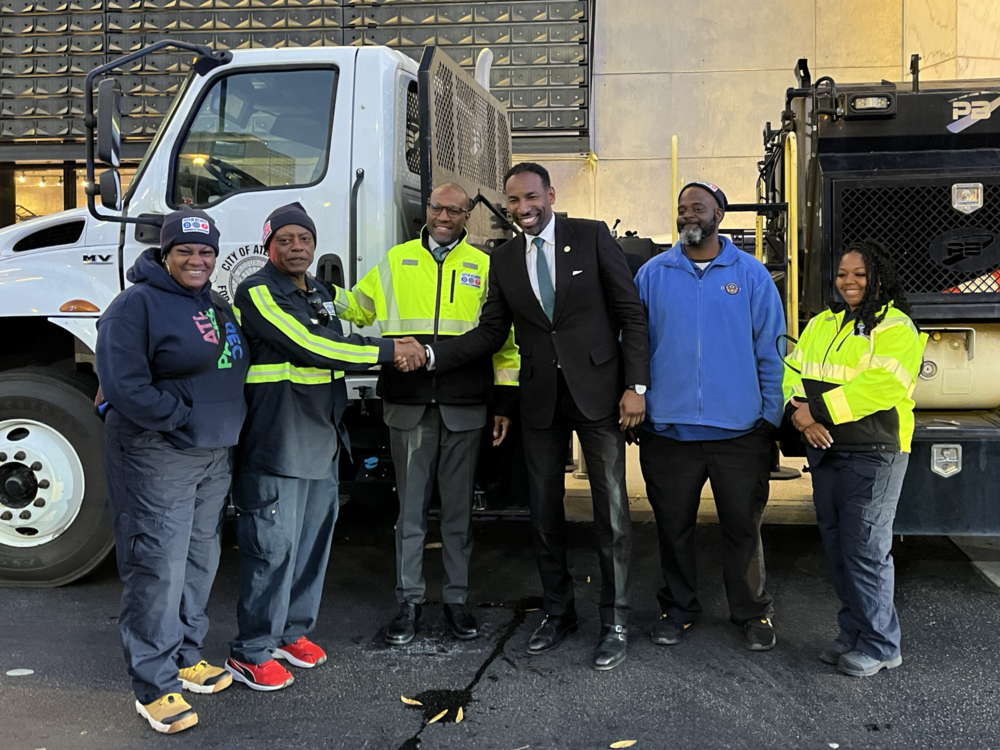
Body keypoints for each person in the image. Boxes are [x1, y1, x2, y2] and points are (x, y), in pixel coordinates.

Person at [399, 163, 649, 671]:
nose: (522, 208)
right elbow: (493, 334)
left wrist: (635, 386)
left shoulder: (593, 236)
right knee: (543, 512)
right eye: (512, 201)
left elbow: (631, 313)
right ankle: (559, 612)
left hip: (600, 395)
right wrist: (430, 355)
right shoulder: (504, 258)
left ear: (550, 194)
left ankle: (616, 619)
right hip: (539, 401)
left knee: (612, 514)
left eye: (530, 197)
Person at [226, 202, 424, 691]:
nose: (297, 247)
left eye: (305, 239)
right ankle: (251, 650)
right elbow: (312, 345)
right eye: (287, 239)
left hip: (321, 437)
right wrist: (390, 350)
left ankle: (292, 633)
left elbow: (346, 322)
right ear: (269, 244)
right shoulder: (257, 292)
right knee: (271, 548)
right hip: (277, 439)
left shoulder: (317, 291)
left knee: (312, 544)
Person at [331, 183, 519, 645]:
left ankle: (456, 601)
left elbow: (505, 344)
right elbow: (358, 308)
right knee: (409, 513)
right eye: (437, 207)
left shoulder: (485, 267)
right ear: (427, 210)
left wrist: (505, 402)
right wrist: (318, 292)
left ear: (467, 217)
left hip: (465, 406)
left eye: (455, 210)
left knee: (458, 514)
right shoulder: (396, 261)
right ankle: (408, 603)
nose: (444, 216)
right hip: (409, 404)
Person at [97, 207, 249, 734]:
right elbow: (123, 385)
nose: (197, 259)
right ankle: (154, 684)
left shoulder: (214, 302)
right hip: (157, 452)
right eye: (185, 250)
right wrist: (182, 419)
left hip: (212, 454)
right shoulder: (134, 306)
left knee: (198, 559)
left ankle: (186, 655)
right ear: (165, 254)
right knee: (157, 567)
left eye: (206, 251)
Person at [634, 182, 785, 652]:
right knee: (672, 528)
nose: (687, 215)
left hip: (739, 432)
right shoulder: (653, 275)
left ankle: (752, 612)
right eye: (681, 209)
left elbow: (771, 348)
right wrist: (638, 401)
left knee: (742, 526)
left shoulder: (751, 275)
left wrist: (771, 417)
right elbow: (634, 346)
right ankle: (677, 608)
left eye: (697, 207)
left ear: (719, 213)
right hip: (669, 431)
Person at [783, 240, 926, 677]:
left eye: (859, 274)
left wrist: (817, 411)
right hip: (827, 451)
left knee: (866, 550)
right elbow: (791, 371)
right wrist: (798, 416)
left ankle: (883, 646)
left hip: (875, 452)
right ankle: (853, 635)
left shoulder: (896, 327)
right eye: (843, 274)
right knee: (838, 548)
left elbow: (883, 387)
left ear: (878, 277)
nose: (849, 281)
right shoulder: (823, 323)